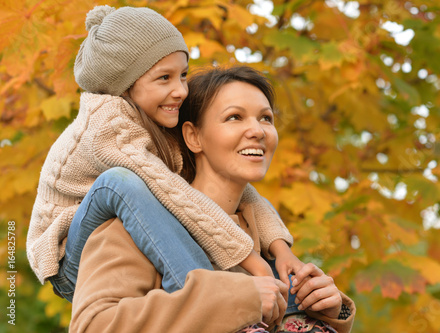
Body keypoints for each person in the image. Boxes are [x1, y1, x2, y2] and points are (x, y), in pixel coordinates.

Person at [26, 4, 295, 305]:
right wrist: (252, 261)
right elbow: (167, 190)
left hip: (130, 241)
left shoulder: (158, 116)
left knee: (211, 186)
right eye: (164, 78)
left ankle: (291, 305)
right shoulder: (107, 124)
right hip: (71, 257)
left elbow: (245, 193)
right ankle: (208, 302)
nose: (181, 89)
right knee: (119, 182)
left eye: (183, 74)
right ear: (124, 85)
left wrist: (280, 248)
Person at [69, 66, 356, 333]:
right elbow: (93, 325)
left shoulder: (265, 235)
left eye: (266, 118)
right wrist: (234, 299)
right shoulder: (138, 221)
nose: (258, 131)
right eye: (234, 117)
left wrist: (327, 311)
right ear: (194, 137)